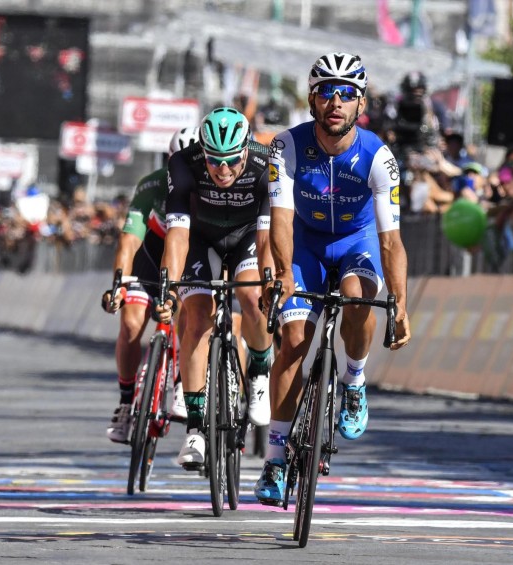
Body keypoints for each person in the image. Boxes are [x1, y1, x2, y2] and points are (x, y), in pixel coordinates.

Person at [255, 52, 412, 505]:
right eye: (327, 92)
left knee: (359, 297)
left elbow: (390, 242)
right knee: (293, 341)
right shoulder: (285, 146)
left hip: (356, 242)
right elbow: (280, 221)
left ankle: (354, 380)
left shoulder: (380, 158)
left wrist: (400, 302)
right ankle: (276, 459)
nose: (336, 102)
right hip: (304, 244)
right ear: (311, 99)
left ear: (360, 104)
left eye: (347, 94)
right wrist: (283, 274)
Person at [157, 107, 274, 468]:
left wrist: (270, 279)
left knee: (252, 297)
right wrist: (168, 289)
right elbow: (176, 235)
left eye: (231, 162)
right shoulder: (183, 163)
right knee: (196, 319)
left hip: (249, 236)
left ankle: (257, 372)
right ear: (203, 153)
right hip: (200, 238)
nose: (223, 171)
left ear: (246, 150)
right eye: (214, 162)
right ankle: (194, 429)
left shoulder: (266, 163)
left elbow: (271, 235)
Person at [101, 127, 200, 443]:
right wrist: (119, 283)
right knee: (130, 324)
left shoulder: (214, 185)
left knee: (189, 307)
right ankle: (127, 403)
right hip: (151, 252)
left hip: (191, 251)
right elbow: (129, 241)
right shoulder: (153, 184)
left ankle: (184, 383)